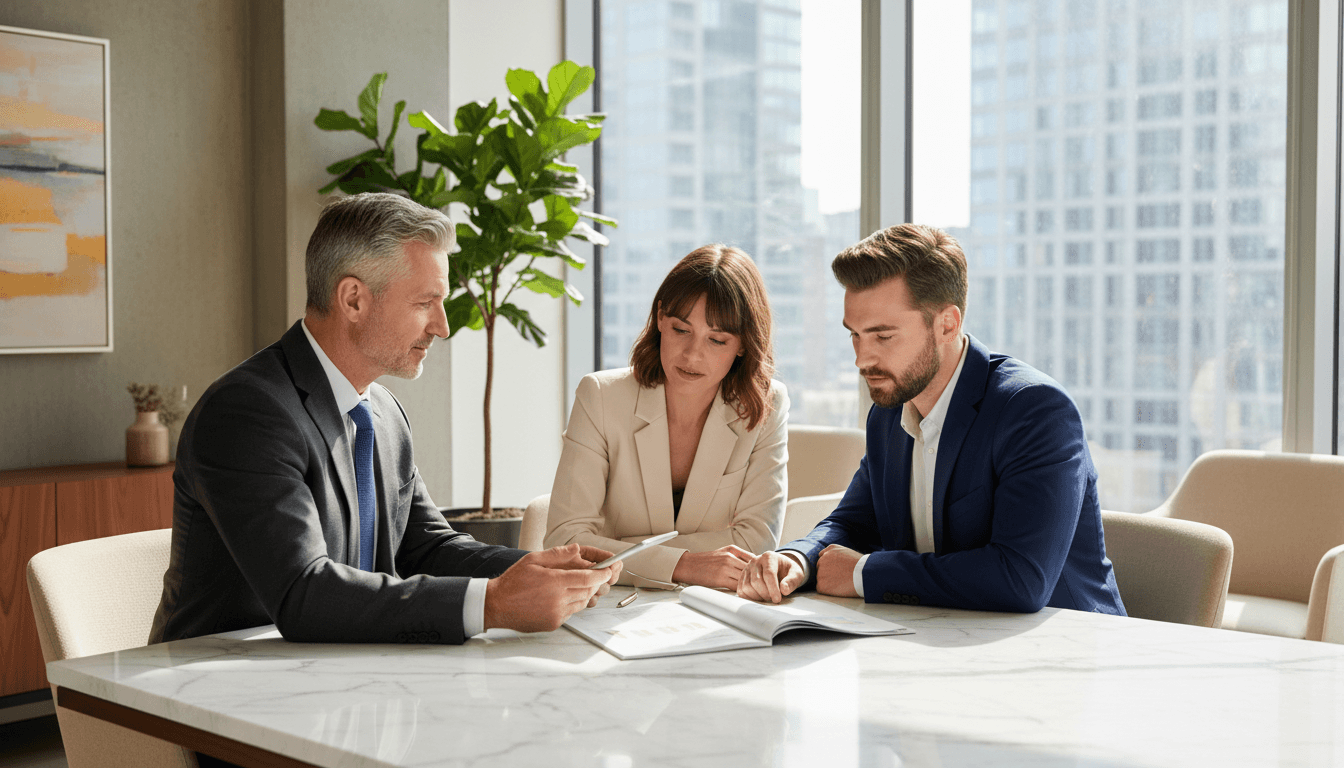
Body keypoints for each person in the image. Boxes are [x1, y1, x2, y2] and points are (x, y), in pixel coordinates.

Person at [151, 192, 620, 648]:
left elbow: (426, 548)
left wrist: (546, 572)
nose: (443, 326)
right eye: (424, 303)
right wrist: (494, 603)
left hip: (332, 675)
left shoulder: (382, 411)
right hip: (207, 692)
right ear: (353, 299)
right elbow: (302, 593)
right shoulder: (247, 413)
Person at [737, 224, 1126, 616]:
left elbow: (1020, 579)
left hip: (1067, 651)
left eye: (883, 336)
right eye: (854, 335)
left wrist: (863, 573)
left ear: (947, 324)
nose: (861, 359)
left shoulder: (1034, 412)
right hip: (944, 639)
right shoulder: (888, 414)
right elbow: (853, 523)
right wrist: (797, 559)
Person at [545, 244, 788, 590]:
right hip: (612, 605)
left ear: (744, 344)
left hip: (715, 609)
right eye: (681, 330)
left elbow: (756, 544)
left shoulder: (768, 403)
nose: (692, 354)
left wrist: (622, 551)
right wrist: (686, 565)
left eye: (716, 340)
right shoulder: (600, 396)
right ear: (660, 318)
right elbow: (565, 540)